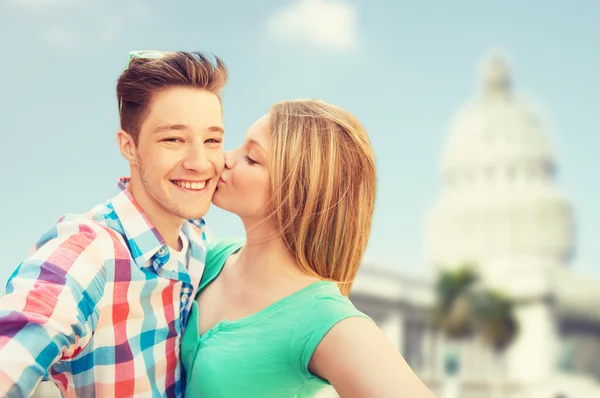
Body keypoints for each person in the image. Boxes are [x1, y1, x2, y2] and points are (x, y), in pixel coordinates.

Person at [0, 50, 227, 398]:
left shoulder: (198, 243)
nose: (200, 162)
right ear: (129, 146)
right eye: (174, 139)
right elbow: (17, 341)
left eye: (212, 140)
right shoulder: (90, 250)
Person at [181, 99, 435, 397]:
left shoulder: (321, 318)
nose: (224, 158)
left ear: (298, 194)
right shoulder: (207, 257)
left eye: (251, 158)